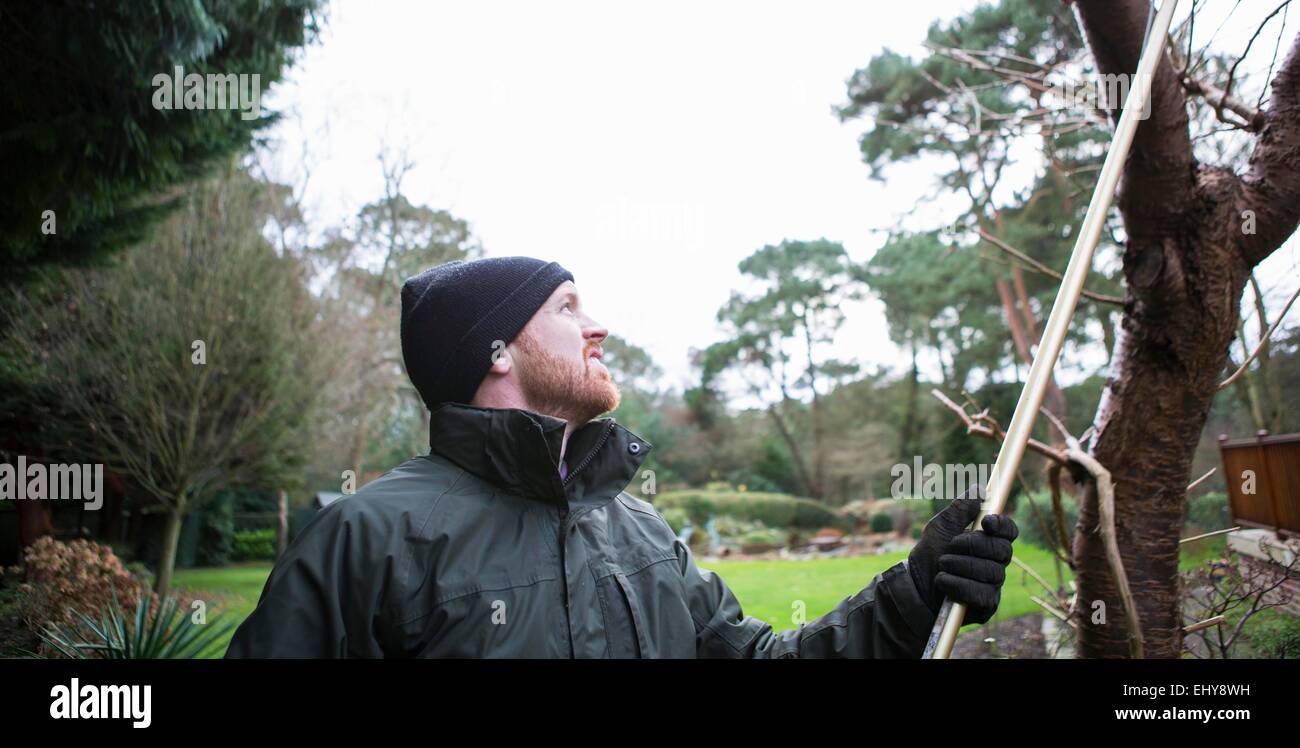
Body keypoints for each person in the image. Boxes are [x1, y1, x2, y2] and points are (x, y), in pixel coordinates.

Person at [225, 255, 1017, 658]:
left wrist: (914, 595)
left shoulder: (637, 534)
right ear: (496, 351)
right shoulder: (366, 539)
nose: (597, 326)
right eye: (567, 308)